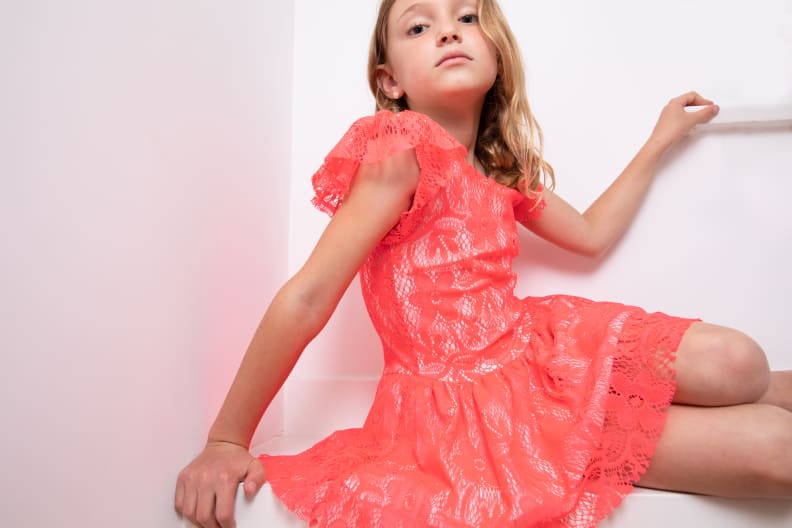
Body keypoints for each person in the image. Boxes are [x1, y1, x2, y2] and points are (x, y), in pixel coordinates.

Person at [175, 0, 792, 526]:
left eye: (466, 16)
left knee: (738, 363)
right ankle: (605, 427)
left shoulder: (500, 168)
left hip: (537, 352)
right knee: (775, 453)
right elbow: (309, 296)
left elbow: (592, 233)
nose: (447, 30)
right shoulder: (400, 148)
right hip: (473, 409)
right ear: (391, 81)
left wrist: (659, 140)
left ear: (494, 51)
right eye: (418, 26)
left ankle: (620, 410)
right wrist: (226, 438)